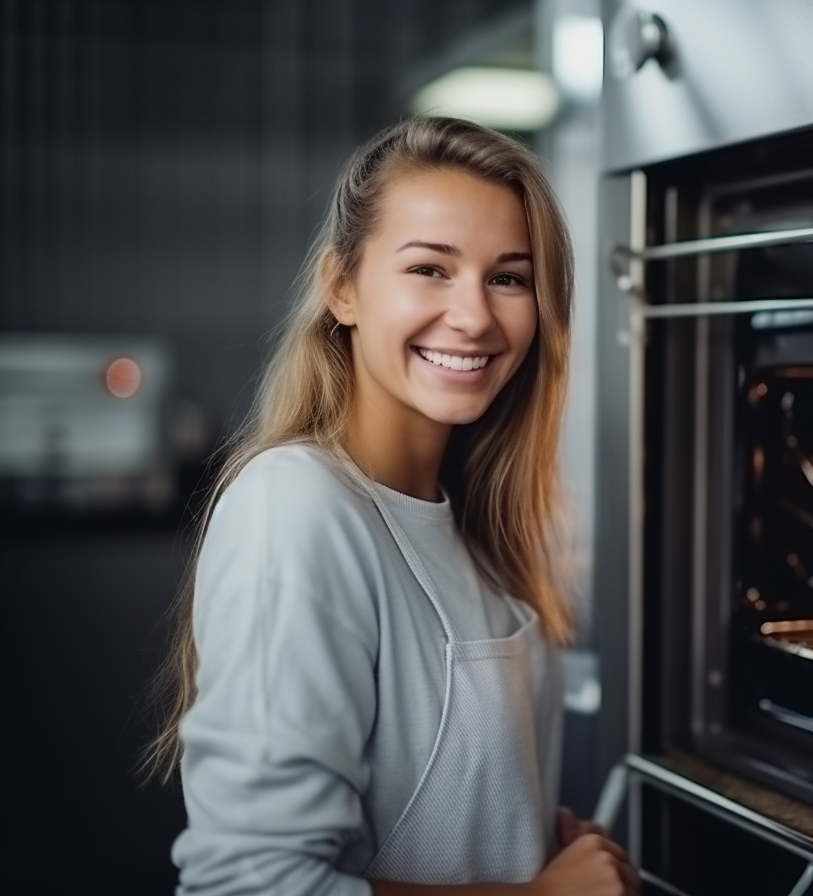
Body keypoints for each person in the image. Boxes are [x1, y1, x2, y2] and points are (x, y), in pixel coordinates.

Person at [143, 116, 640, 896]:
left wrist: (542, 843)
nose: (475, 315)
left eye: (508, 277)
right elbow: (249, 886)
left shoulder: (477, 525)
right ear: (342, 288)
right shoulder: (297, 508)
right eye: (431, 270)